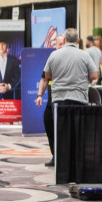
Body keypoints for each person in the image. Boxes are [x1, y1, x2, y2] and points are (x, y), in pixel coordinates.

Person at [36, 29, 99, 165]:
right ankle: (78, 164)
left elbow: (46, 76)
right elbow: (94, 75)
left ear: (64, 40)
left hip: (59, 100)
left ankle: (61, 165)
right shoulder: (85, 55)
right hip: (79, 99)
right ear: (78, 41)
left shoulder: (54, 55)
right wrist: (83, 79)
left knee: (61, 133)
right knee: (78, 133)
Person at [41, 33, 66, 166]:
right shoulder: (51, 59)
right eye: (59, 44)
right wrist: (39, 95)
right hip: (52, 101)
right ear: (55, 45)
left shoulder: (71, 59)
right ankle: (55, 155)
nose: (61, 46)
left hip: (66, 101)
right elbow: (44, 79)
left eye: (63, 44)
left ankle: (64, 158)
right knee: (48, 122)